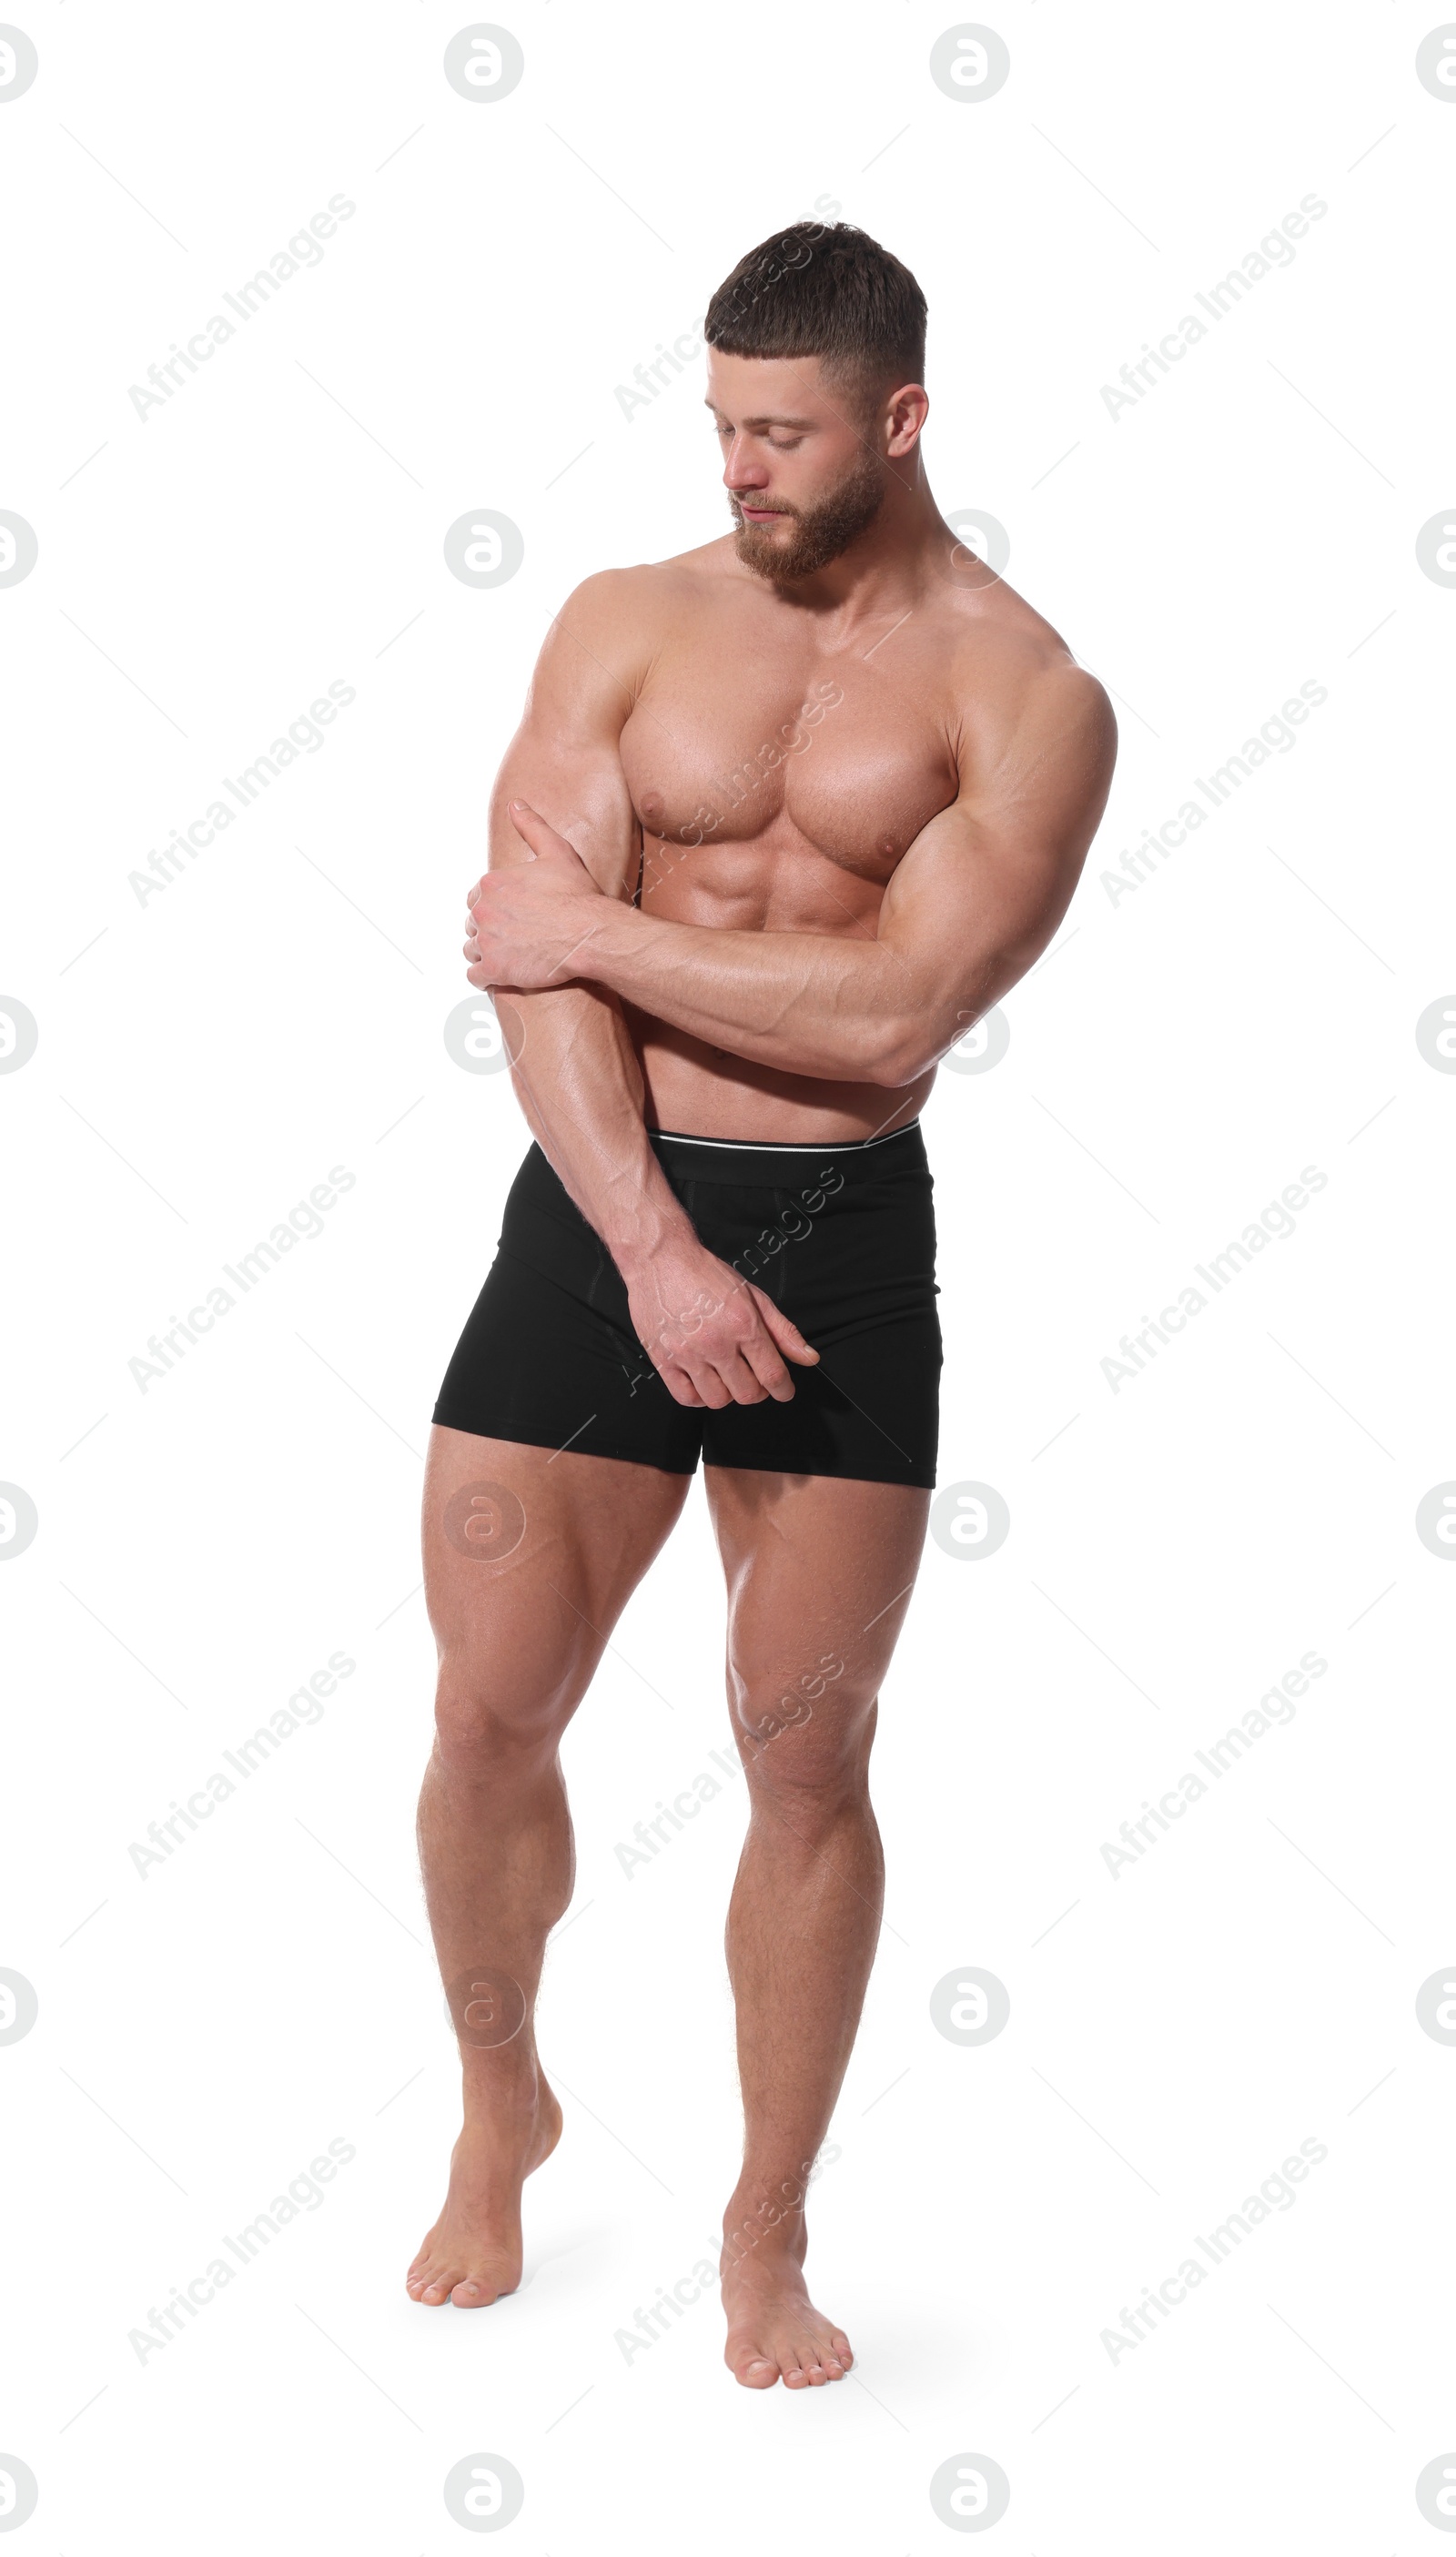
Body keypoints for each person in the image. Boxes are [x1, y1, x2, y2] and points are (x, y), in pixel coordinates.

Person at [408, 219, 1116, 2390]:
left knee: (804, 1761)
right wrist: (644, 1245)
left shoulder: (1026, 694)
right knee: (486, 1715)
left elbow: (907, 999)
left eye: (780, 433)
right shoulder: (624, 625)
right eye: (718, 426)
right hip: (601, 1215)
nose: (737, 468)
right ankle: (498, 2100)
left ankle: (761, 2227)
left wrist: (603, 937)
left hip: (836, 1247)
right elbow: (520, 977)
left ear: (898, 419)